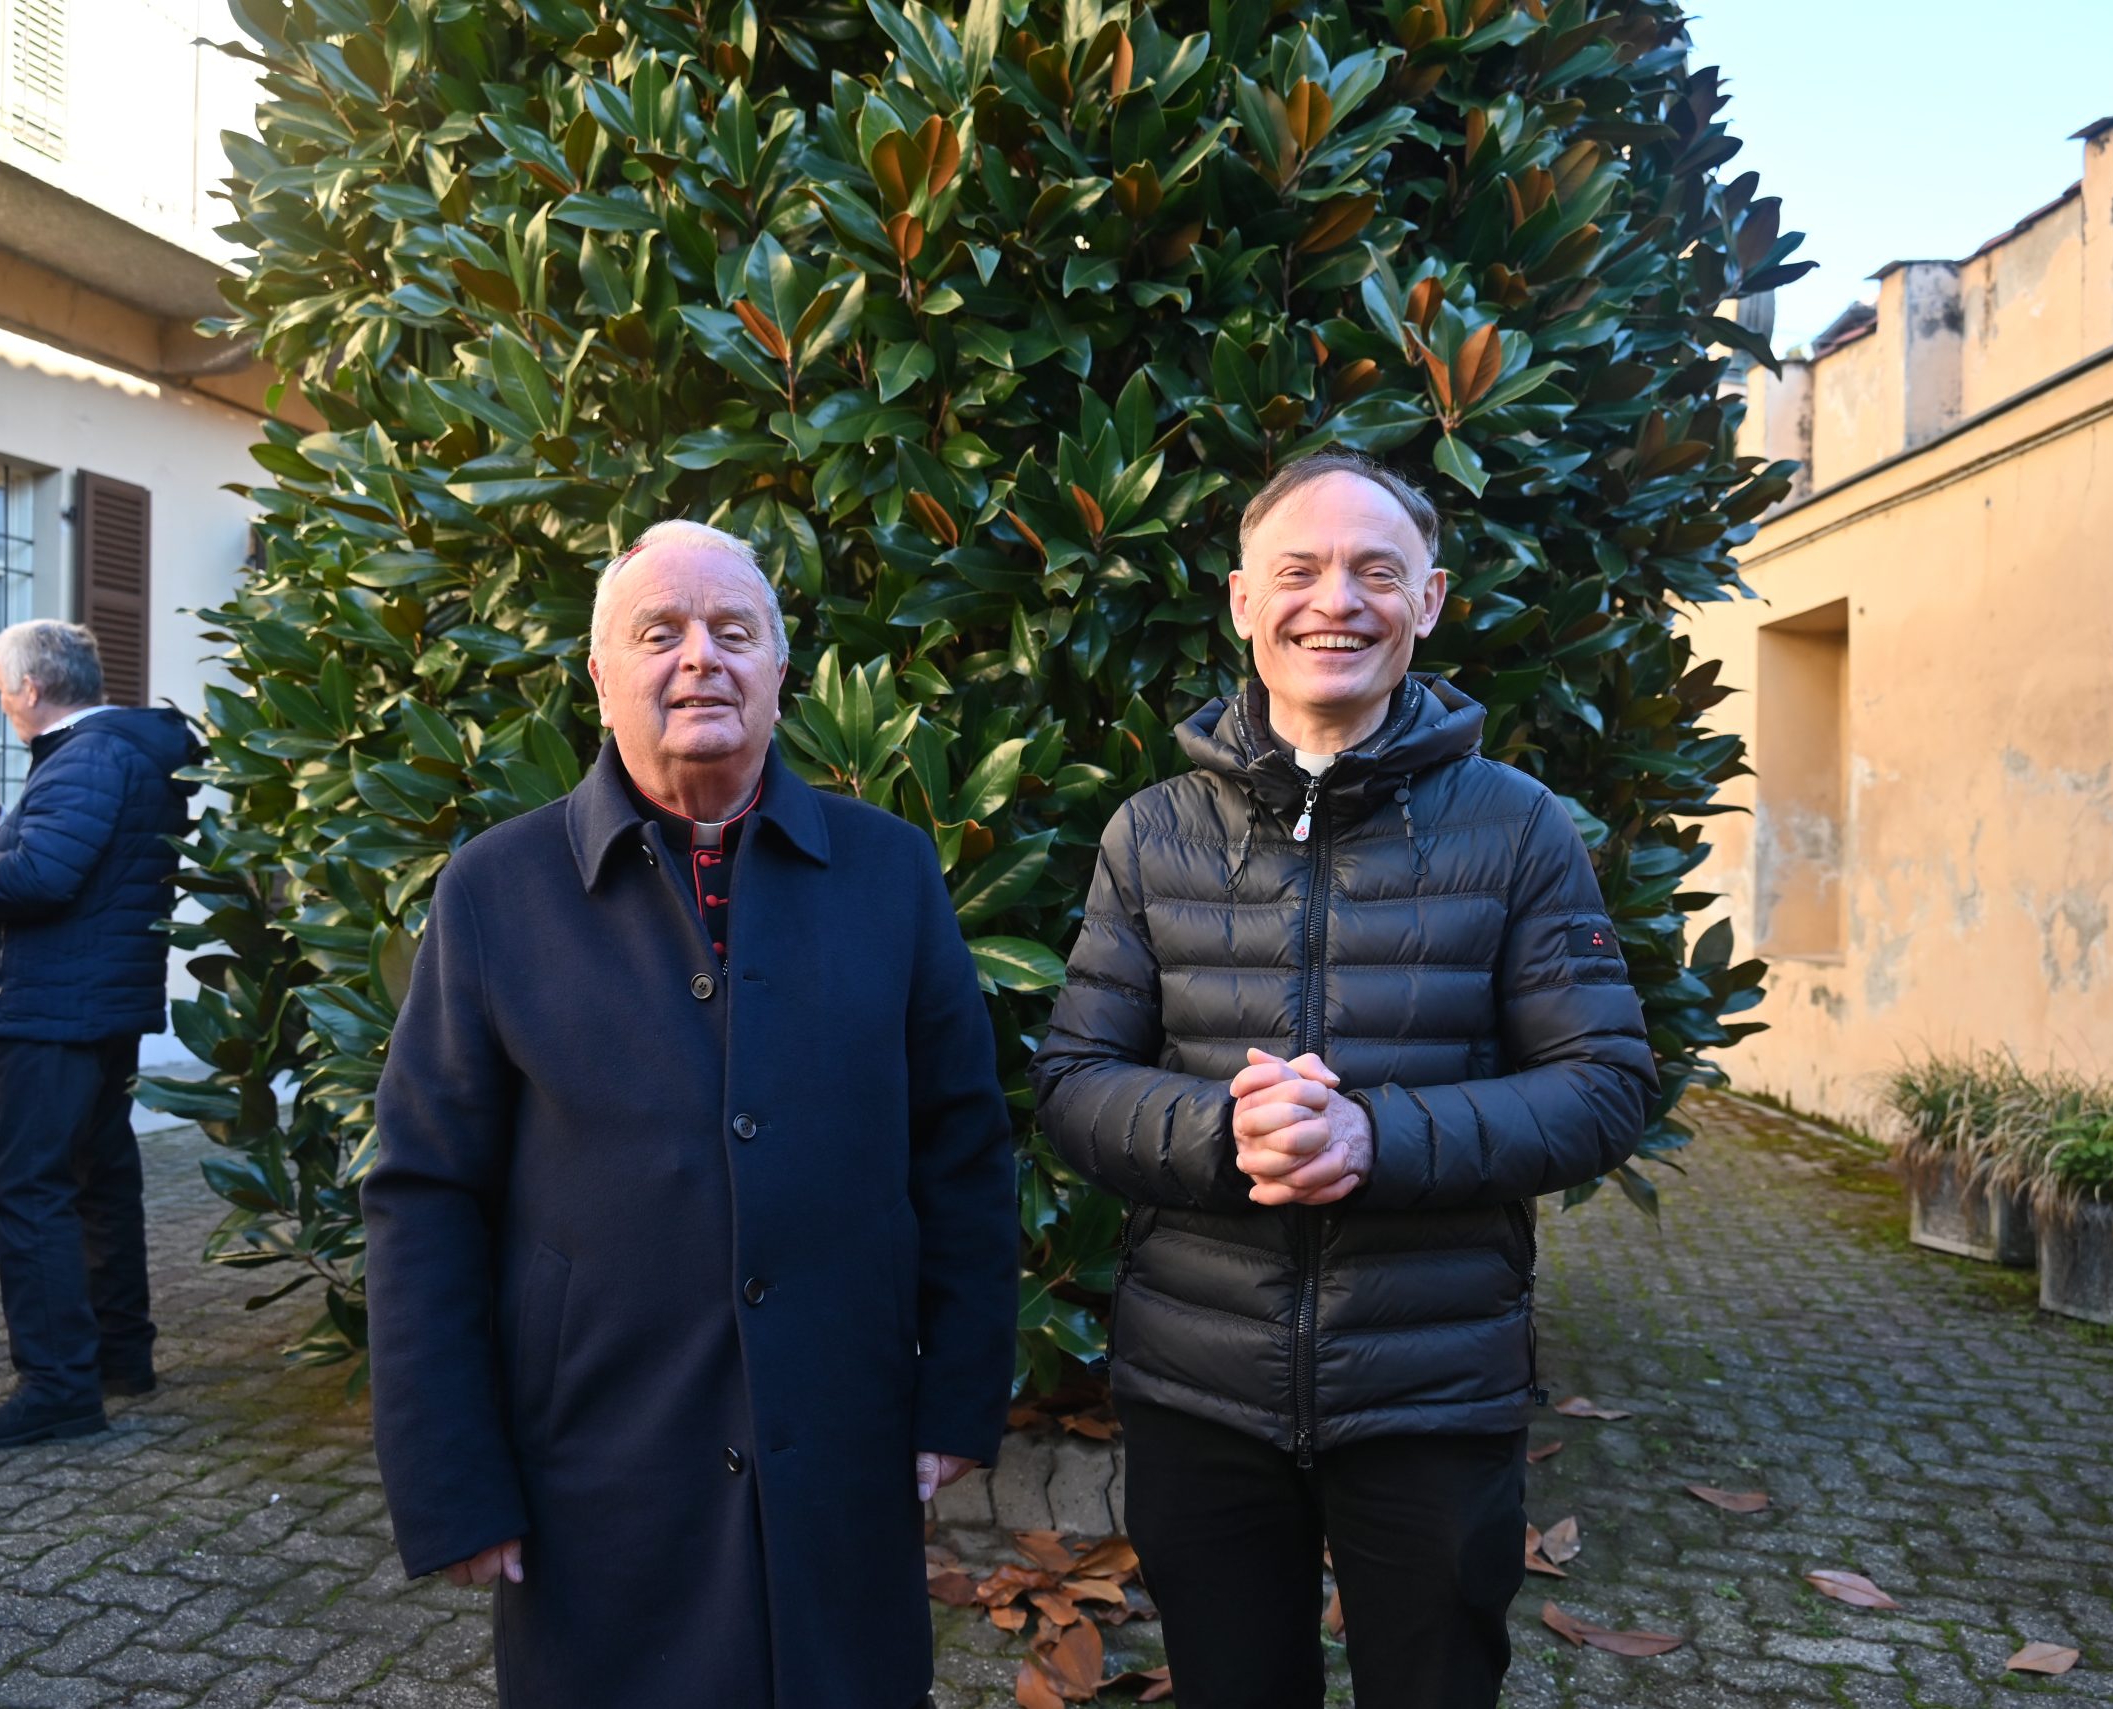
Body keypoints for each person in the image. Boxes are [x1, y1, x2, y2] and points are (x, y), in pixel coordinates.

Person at [1032, 451, 1660, 1709]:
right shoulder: (1150, 832)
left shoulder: (1518, 826)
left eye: (1377, 570)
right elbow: (1072, 1081)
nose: (1336, 600)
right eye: (1299, 569)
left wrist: (1375, 1138)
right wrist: (1224, 1134)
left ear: (1428, 600)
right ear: (1242, 600)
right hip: (1198, 1387)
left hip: (1433, 1391)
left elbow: (1602, 1084)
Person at [364, 520, 1016, 1708]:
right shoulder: (495, 890)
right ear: (599, 672)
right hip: (597, 1460)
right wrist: (453, 1474)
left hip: (841, 1442)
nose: (699, 657)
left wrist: (959, 1393)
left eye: (733, 629)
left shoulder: (890, 871)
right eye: (658, 631)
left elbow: (961, 1148)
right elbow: (425, 1193)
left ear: (781, 666)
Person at [0, 620, 198, 1450]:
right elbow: (72, 860)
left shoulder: (87, 756)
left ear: (33, 688)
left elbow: (41, 879)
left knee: (31, 1190)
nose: (2, 700)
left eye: (1, 686)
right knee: (99, 1177)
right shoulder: (116, 750)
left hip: (53, 1009)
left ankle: (56, 1386)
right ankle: (119, 1354)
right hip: (96, 1002)